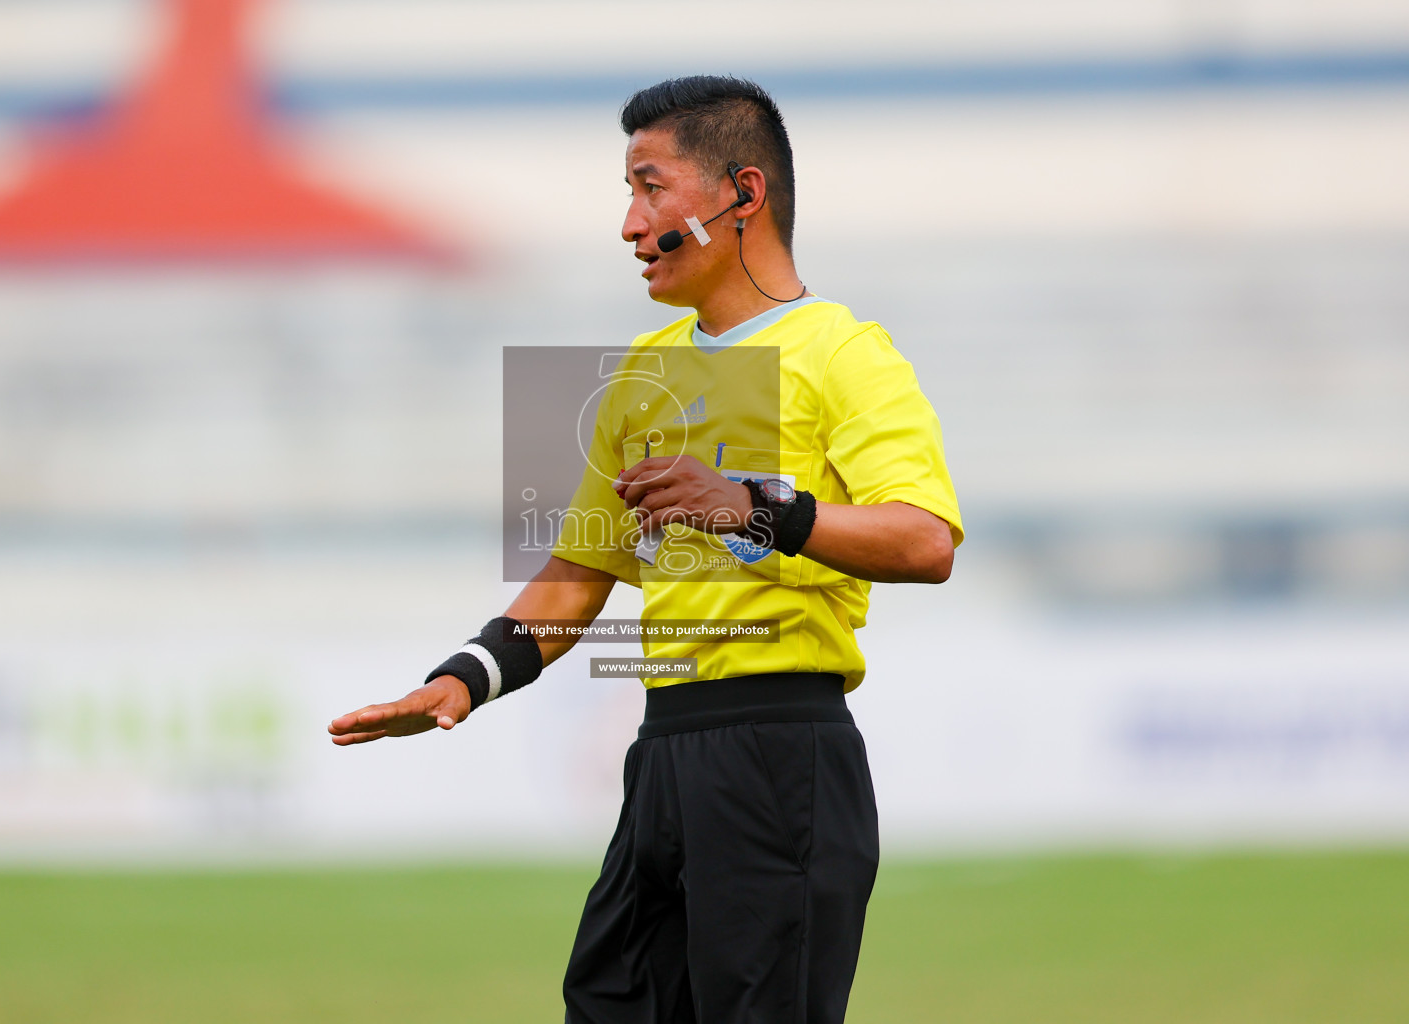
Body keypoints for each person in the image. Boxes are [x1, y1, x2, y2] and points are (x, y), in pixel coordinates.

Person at [329, 75, 963, 1024]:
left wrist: (754, 506)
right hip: (662, 751)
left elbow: (925, 539)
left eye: (651, 187)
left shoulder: (845, 352)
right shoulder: (641, 373)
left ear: (742, 196)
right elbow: (578, 578)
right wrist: (463, 678)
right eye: (628, 192)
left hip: (782, 752)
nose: (630, 223)